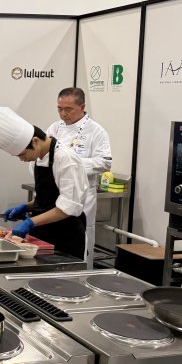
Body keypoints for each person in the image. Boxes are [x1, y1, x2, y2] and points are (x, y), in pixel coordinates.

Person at [0, 106, 89, 259]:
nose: (21, 159)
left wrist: (30, 222)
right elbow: (48, 197)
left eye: (22, 154)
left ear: (35, 141)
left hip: (66, 236)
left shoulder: (66, 160)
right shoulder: (37, 159)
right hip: (42, 233)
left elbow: (68, 207)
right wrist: (27, 206)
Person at [46, 87, 112, 266]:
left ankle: (83, 275)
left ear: (82, 107)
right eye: (60, 109)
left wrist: (71, 164)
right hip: (56, 193)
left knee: (81, 241)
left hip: (83, 197)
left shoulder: (96, 131)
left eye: (68, 109)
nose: (63, 114)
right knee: (55, 241)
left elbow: (105, 162)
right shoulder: (54, 128)